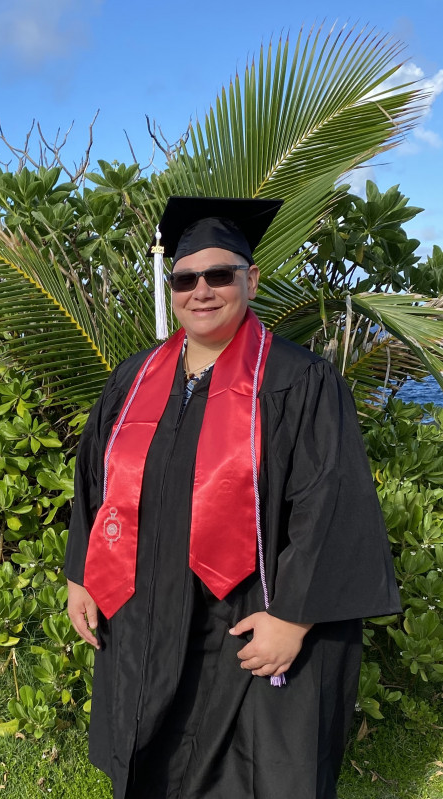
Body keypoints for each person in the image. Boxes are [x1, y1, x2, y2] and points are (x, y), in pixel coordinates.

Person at [64, 196, 401, 799]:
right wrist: (81, 577)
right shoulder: (135, 379)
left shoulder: (297, 381)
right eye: (185, 278)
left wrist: (294, 618)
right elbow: (96, 483)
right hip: (149, 612)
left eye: (219, 275)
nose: (202, 290)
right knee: (154, 761)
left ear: (251, 279)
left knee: (256, 773)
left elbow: (330, 503)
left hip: (253, 616)